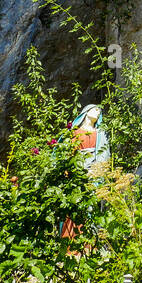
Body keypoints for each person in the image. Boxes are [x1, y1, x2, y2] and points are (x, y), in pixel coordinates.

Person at [61, 104, 109, 245]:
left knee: (94, 207)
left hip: (95, 173)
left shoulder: (100, 133)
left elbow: (104, 154)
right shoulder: (75, 133)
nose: (98, 112)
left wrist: (97, 169)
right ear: (86, 112)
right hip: (78, 173)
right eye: (95, 109)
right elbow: (68, 154)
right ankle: (72, 245)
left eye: (100, 111)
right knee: (75, 208)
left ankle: (93, 244)